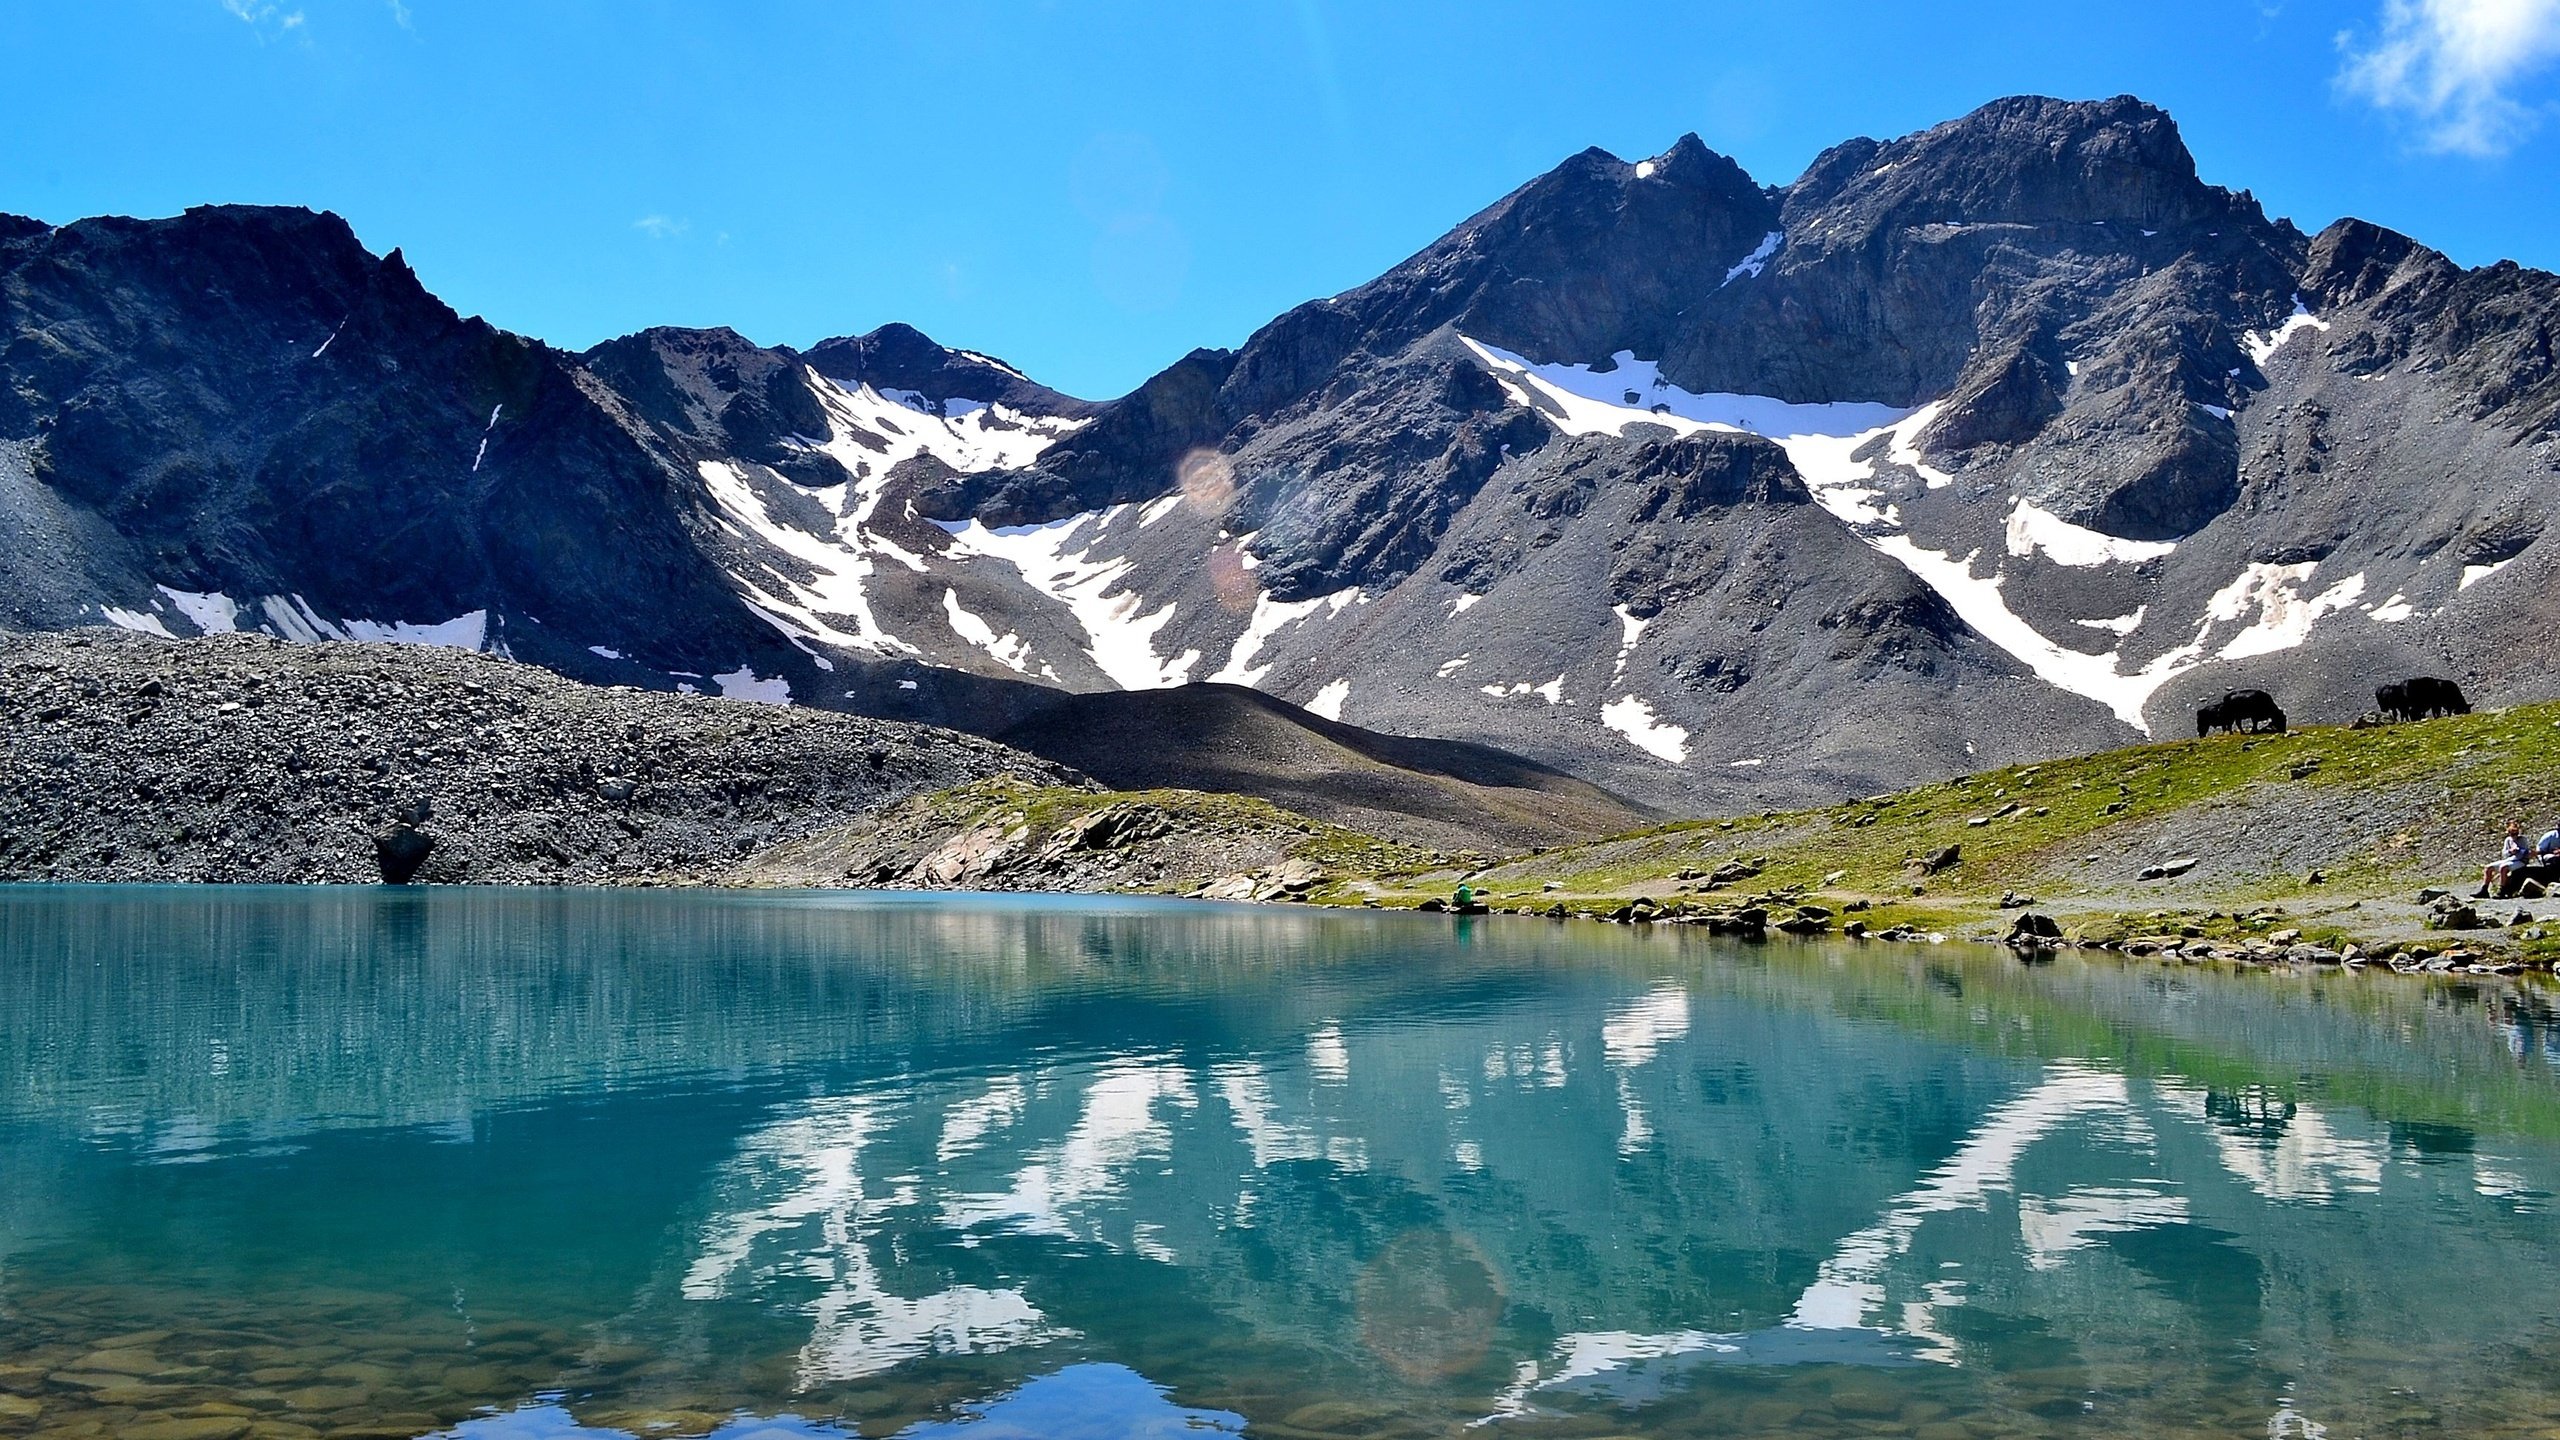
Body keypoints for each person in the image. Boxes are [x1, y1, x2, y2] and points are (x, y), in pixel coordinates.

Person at [2479, 821, 2530, 898]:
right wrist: (2510, 851)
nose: (2514, 835)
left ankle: (2502, 890)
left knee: (2504, 867)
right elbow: (2504, 853)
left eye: (2516, 833)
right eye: (2512, 833)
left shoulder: (2523, 839)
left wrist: (2518, 850)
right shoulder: (2508, 840)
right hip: (2509, 859)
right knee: (2488, 868)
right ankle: (2484, 890)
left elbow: (2525, 852)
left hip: (2520, 860)